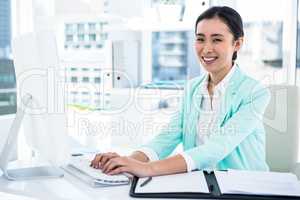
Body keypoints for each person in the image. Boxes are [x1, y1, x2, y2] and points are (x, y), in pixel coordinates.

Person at [90, 6, 270, 177]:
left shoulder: (255, 92)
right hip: (199, 183)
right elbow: (168, 137)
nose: (206, 48)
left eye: (217, 39)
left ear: (237, 43)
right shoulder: (192, 88)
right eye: (200, 39)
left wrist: (148, 169)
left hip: (242, 187)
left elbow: (216, 148)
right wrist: (126, 161)